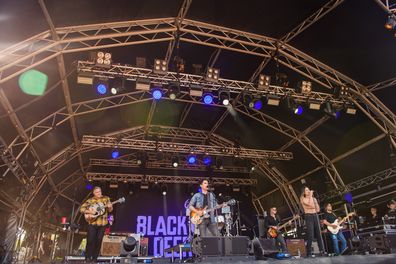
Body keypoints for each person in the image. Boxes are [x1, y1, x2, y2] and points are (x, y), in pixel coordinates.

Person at [79, 186, 113, 262]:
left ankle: (95, 258)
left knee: (99, 241)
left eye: (100, 191)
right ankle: (87, 257)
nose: (99, 193)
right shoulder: (90, 200)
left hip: (102, 224)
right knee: (90, 240)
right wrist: (91, 212)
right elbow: (81, 209)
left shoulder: (106, 198)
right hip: (92, 223)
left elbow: (110, 210)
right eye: (97, 192)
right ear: (94, 193)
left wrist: (110, 207)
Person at [300, 186, 325, 257]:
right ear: (303, 192)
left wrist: (314, 204)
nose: (308, 191)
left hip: (315, 215)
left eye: (308, 190)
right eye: (306, 190)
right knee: (311, 235)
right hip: (308, 216)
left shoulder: (313, 198)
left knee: (319, 233)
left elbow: (317, 209)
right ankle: (309, 252)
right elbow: (310, 204)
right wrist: (311, 197)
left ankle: (322, 250)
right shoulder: (303, 199)